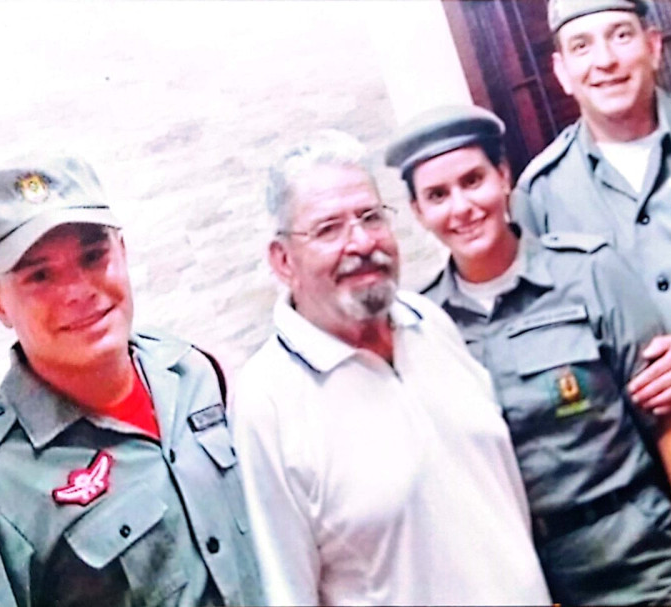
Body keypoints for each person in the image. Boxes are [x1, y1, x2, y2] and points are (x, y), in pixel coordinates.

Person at [385, 104, 671, 604]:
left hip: (641, 561)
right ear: (418, 212)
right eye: (437, 195)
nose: (462, 207)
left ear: (504, 177)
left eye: (473, 180)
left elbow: (669, 425)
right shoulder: (422, 326)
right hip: (524, 580)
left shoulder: (588, 272)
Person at [229, 130, 550, 606]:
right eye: (329, 229)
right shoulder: (267, 400)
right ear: (283, 261)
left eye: (371, 217)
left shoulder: (429, 322)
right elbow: (288, 589)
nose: (361, 242)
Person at [0, 157, 263, 607]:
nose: (79, 290)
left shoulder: (192, 373)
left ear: (122, 251)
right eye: (40, 275)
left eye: (93, 256)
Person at [512, 0, 671, 550]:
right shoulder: (539, 197)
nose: (604, 60)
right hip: (653, 486)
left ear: (653, 46)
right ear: (562, 71)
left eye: (621, 36)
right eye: (581, 46)